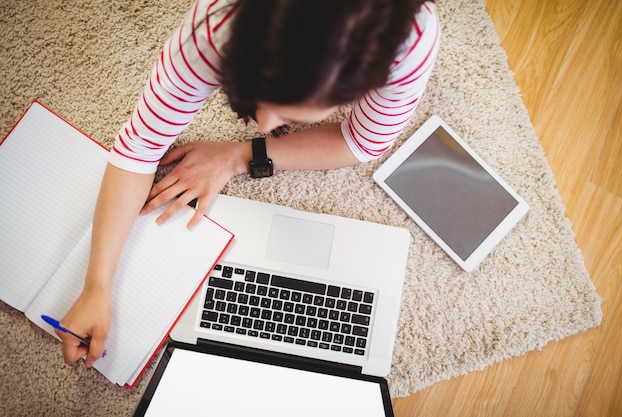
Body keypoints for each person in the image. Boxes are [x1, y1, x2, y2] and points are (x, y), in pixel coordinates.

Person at [57, 0, 440, 367]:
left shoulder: (410, 41)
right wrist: (96, 287)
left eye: (291, 113)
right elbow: (139, 145)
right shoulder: (216, 25)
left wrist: (241, 155)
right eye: (258, 96)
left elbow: (361, 141)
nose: (265, 125)